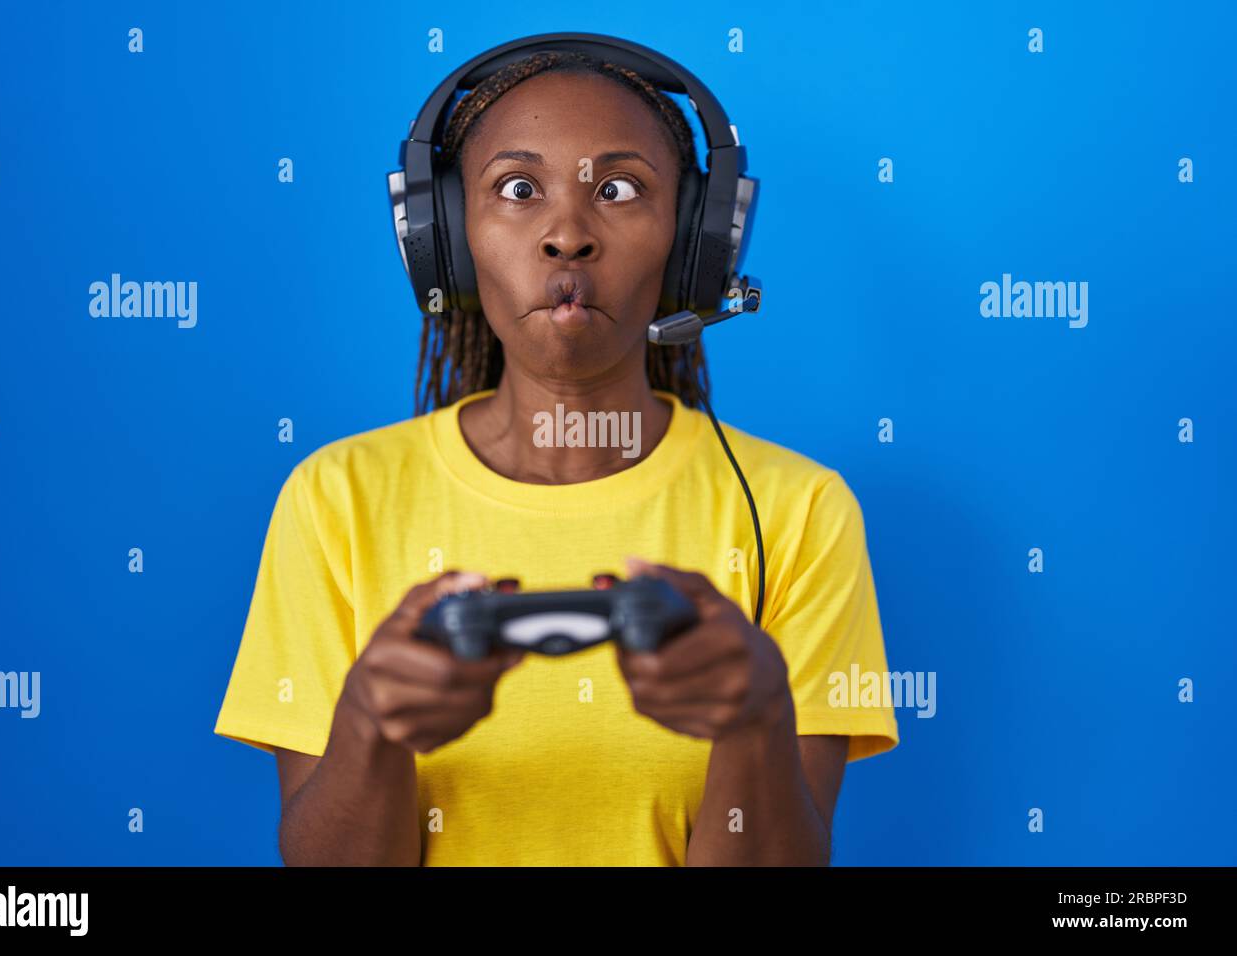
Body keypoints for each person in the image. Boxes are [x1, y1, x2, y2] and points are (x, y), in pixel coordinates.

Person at [213, 48, 899, 866]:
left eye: (618, 190)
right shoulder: (333, 499)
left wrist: (756, 718)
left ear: (697, 246)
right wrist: (372, 725)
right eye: (517, 189)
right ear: (444, 241)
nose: (568, 235)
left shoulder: (800, 511)